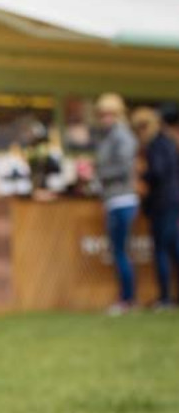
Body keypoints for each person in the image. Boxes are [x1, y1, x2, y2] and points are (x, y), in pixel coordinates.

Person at [94, 93, 139, 315]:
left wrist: (98, 174)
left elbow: (123, 167)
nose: (105, 118)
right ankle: (127, 298)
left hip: (122, 199)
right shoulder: (108, 136)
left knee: (120, 251)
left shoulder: (122, 136)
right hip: (113, 199)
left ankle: (127, 299)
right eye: (102, 114)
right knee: (119, 250)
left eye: (109, 114)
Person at [132, 106, 179, 309]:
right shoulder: (169, 143)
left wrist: (142, 175)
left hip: (162, 202)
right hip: (172, 201)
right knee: (174, 249)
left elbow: (158, 172)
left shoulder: (157, 145)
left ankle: (165, 298)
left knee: (161, 249)